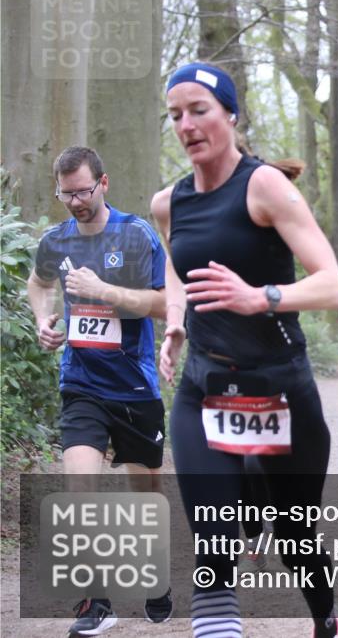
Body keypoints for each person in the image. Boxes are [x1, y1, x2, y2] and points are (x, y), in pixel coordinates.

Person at [153, 62, 338, 638]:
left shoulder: (264, 186)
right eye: (175, 115)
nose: (186, 124)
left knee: (295, 539)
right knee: (214, 543)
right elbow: (175, 266)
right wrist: (176, 321)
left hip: (280, 391)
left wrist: (259, 296)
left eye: (199, 110)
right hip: (205, 389)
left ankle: (326, 618)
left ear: (231, 116)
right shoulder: (169, 202)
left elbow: (333, 283)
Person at [26, 145, 173, 634]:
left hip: (134, 388)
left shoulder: (136, 236)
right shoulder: (56, 240)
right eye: (65, 194)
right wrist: (43, 320)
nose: (74, 202)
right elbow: (38, 283)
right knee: (79, 488)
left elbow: (164, 305)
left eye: (83, 191)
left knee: (145, 493)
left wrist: (103, 291)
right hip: (81, 384)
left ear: (104, 183)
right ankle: (97, 603)